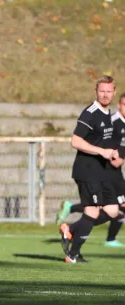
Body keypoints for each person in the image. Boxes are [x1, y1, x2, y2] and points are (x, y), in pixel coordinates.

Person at [57, 76, 119, 263]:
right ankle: (72, 253)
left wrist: (112, 152)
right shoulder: (90, 113)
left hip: (101, 170)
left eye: (109, 91)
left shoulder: (108, 113)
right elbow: (75, 141)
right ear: (95, 91)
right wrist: (102, 151)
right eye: (102, 91)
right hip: (86, 169)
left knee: (112, 210)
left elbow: (103, 141)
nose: (105, 94)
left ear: (114, 92)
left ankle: (72, 230)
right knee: (91, 211)